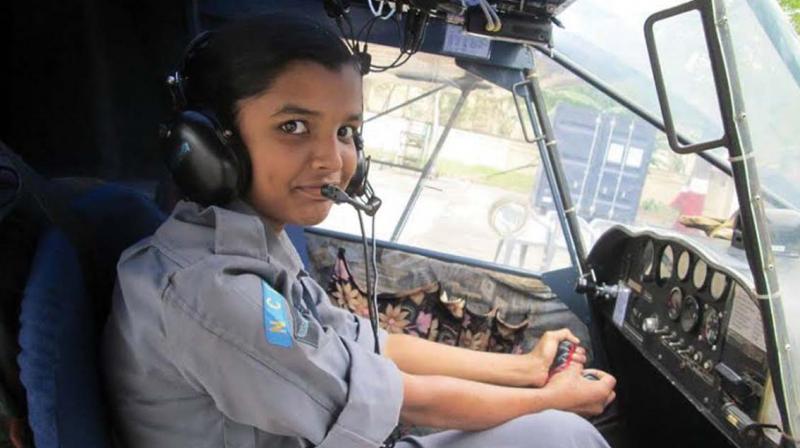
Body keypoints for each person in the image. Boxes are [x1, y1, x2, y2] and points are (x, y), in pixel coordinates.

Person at [102, 13, 617, 448]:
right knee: (561, 434)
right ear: (212, 146)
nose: (332, 160)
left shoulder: (251, 244)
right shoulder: (210, 291)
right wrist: (549, 399)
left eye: (346, 131)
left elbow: (362, 343)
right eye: (293, 127)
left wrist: (523, 370)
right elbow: (385, 396)